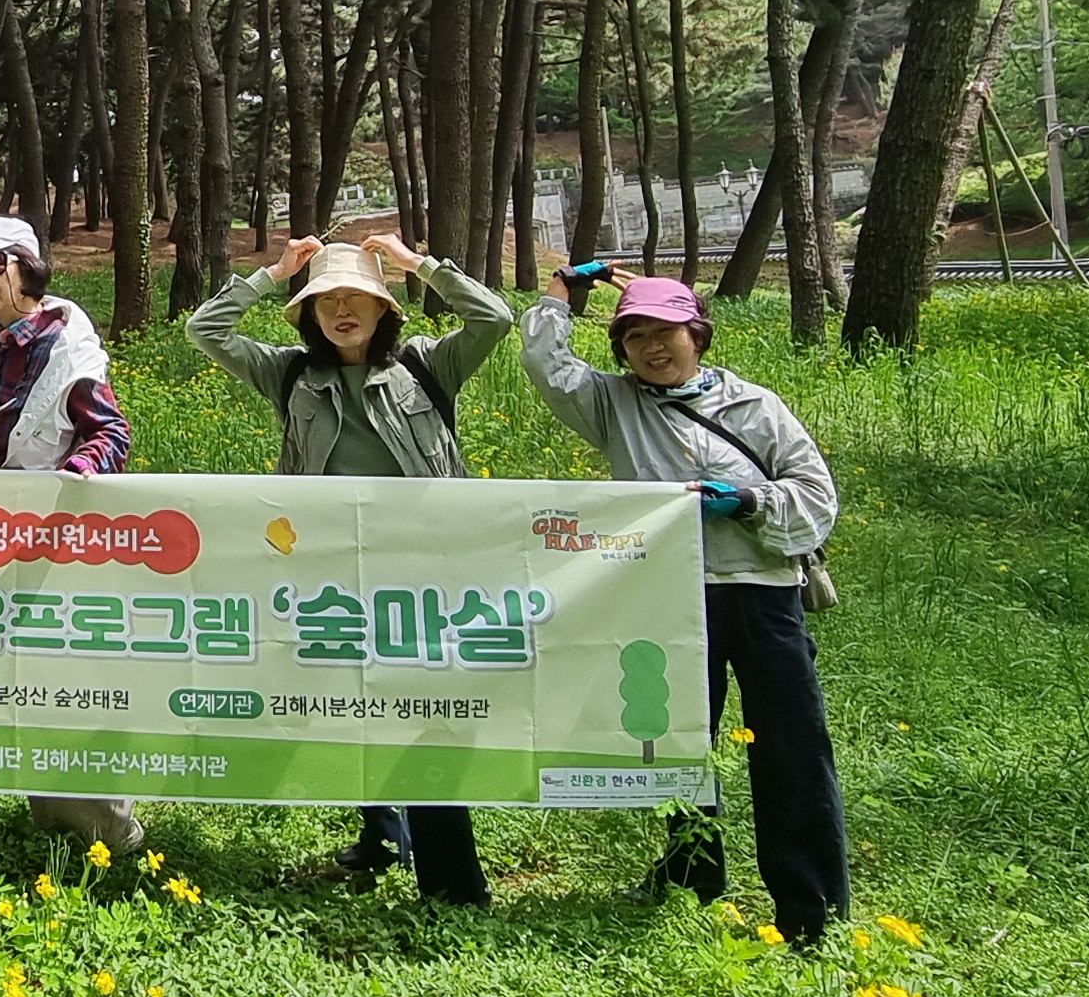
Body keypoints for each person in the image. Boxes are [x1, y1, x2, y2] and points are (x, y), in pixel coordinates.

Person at [180, 230, 514, 906]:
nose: (341, 309)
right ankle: (382, 836)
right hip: (334, 578)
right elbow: (205, 328)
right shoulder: (293, 374)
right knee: (357, 706)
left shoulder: (427, 367)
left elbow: (495, 319)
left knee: (426, 713)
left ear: (386, 309)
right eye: (325, 298)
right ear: (306, 314)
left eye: (357, 296)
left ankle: (453, 882)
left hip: (424, 578)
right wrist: (274, 272)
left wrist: (419, 264)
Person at [520, 265, 847, 945]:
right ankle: (693, 873)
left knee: (790, 749)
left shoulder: (755, 407)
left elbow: (816, 496)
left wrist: (753, 503)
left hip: (762, 596)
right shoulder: (615, 406)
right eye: (634, 336)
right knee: (676, 747)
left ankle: (810, 906)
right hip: (668, 601)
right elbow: (546, 363)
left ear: (697, 333)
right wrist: (559, 289)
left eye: (665, 331)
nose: (651, 348)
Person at [0, 214, 144, 873]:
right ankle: (58, 823)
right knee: (18, 680)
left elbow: (111, 434)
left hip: (53, 540)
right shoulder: (2, 331)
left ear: (29, 269)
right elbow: (2, 356)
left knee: (62, 683)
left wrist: (74, 477)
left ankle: (114, 837)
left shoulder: (69, 347)